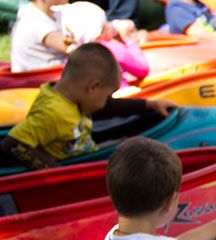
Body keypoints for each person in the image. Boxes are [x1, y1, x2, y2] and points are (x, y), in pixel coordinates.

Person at [1, 44, 174, 171]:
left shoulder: (71, 98)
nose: (107, 101)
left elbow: (107, 108)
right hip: (76, 165)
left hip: (88, 151)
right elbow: (14, 144)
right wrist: (56, 174)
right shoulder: (53, 112)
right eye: (107, 95)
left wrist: (150, 104)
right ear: (93, 87)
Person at [58, 1, 150, 86]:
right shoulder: (113, 49)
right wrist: (129, 40)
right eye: (106, 23)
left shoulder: (73, 59)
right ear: (101, 33)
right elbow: (143, 69)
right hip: (121, 99)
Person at [10, 0, 71, 72]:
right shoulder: (34, 21)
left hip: (56, 73)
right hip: (39, 79)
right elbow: (73, 48)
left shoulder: (53, 14)